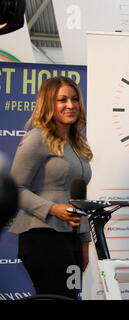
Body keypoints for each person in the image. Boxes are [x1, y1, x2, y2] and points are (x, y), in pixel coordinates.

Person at [8, 76, 92, 299]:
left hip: (71, 239)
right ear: (48, 103)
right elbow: (15, 188)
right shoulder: (37, 138)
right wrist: (53, 209)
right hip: (42, 236)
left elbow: (78, 198)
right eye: (62, 100)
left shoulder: (77, 144)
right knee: (57, 297)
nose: (71, 105)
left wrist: (84, 243)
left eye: (75, 99)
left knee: (70, 296)